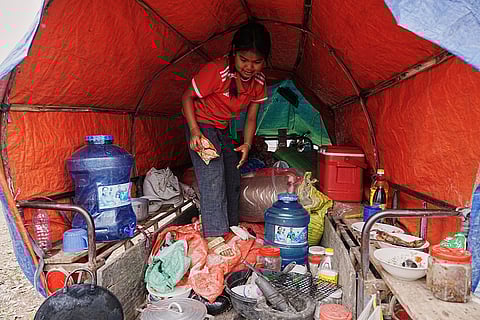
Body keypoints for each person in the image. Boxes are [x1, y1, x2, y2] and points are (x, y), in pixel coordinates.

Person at [182, 22, 271, 239]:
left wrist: (248, 144)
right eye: (244, 60)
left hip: (220, 129)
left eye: (257, 62)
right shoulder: (217, 71)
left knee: (232, 176)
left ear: (265, 61)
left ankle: (231, 230)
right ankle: (215, 238)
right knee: (213, 177)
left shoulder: (258, 82)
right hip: (201, 125)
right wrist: (195, 131)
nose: (249, 67)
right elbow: (186, 97)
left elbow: (251, 117)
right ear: (234, 53)